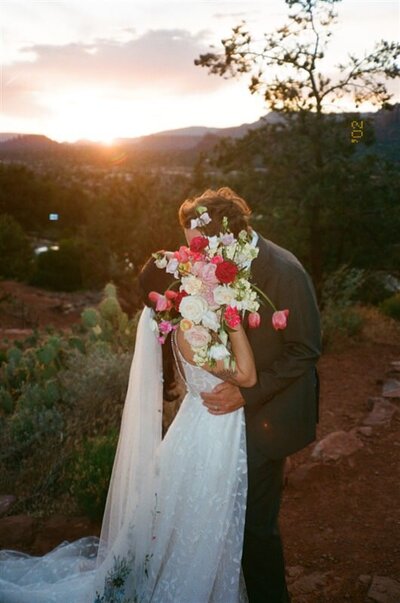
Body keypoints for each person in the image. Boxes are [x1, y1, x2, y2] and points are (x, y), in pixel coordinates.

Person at [0, 241, 257, 602]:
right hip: (210, 435)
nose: (199, 274)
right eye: (190, 273)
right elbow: (246, 376)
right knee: (201, 526)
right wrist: (233, 319)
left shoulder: (195, 323)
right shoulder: (191, 332)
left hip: (204, 429)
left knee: (197, 524)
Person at [178, 187, 322, 603]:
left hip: (269, 415)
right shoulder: (223, 262)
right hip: (227, 417)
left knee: (254, 526)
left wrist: (246, 395)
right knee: (227, 518)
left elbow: (306, 350)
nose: (195, 256)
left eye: (200, 247)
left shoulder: (284, 271)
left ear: (229, 236)